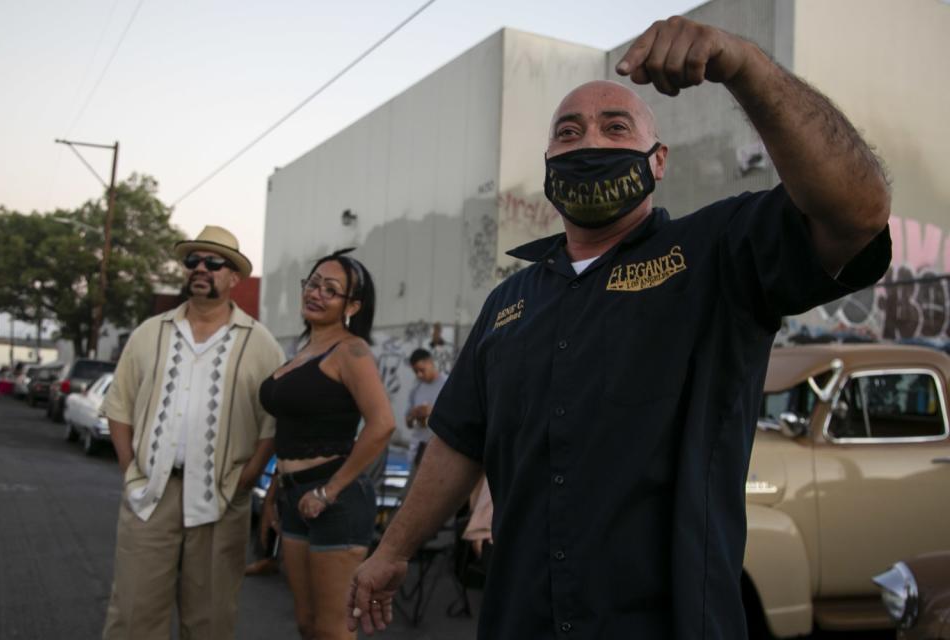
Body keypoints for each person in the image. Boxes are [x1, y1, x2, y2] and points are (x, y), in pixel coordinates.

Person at [348, 16, 892, 640]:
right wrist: (393, 550)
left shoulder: (716, 254)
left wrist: (745, 66)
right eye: (569, 132)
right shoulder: (508, 302)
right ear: (549, 162)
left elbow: (858, 211)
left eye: (615, 127)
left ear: (658, 161)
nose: (589, 142)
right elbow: (458, 441)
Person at [101, 225, 285, 639]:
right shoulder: (150, 333)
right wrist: (131, 472)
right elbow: (119, 407)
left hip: (221, 498)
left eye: (213, 262)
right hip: (151, 495)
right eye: (193, 260)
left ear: (234, 277)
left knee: (211, 621)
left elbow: (271, 423)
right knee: (132, 616)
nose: (201, 268)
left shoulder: (261, 344)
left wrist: (248, 477)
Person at [259, 249, 395, 640]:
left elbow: (382, 425)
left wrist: (328, 490)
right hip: (295, 497)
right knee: (307, 625)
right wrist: (273, 494)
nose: (316, 293)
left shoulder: (351, 350)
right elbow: (291, 431)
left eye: (330, 290)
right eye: (313, 283)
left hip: (335, 501)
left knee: (333, 631)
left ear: (352, 305)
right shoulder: (305, 352)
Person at [404, 348, 448, 467]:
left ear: (430, 362)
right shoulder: (416, 389)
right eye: (415, 371)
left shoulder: (447, 385)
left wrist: (432, 412)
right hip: (419, 449)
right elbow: (408, 422)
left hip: (441, 450)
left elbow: (456, 418)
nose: (419, 374)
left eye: (421, 370)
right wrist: (414, 414)